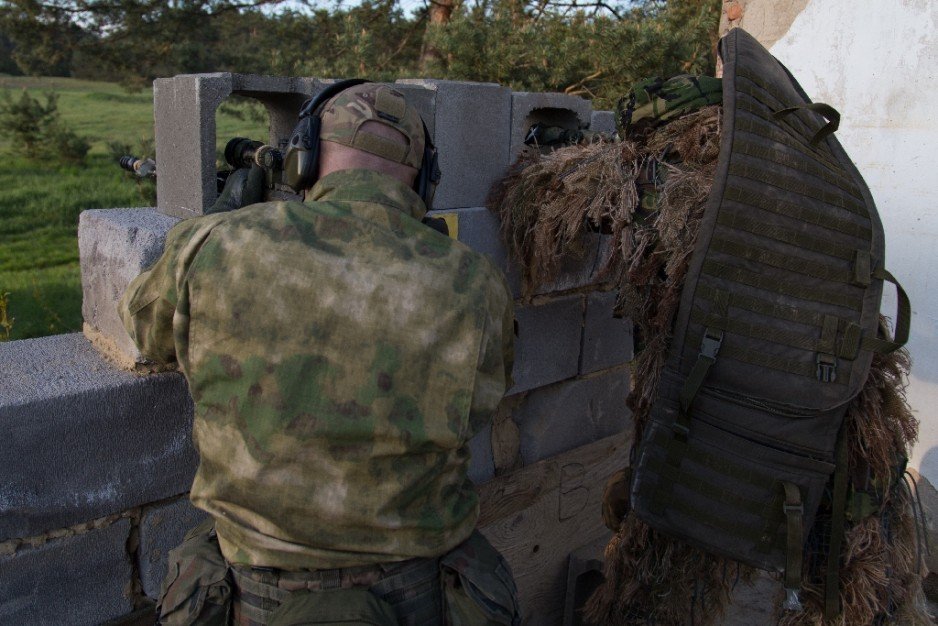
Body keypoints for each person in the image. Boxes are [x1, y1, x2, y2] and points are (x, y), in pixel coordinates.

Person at [119, 82, 520, 625]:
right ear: (426, 179)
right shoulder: (477, 282)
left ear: (302, 161)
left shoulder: (219, 245)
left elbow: (147, 332)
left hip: (249, 596)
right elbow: (483, 401)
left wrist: (209, 226)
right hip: (422, 596)